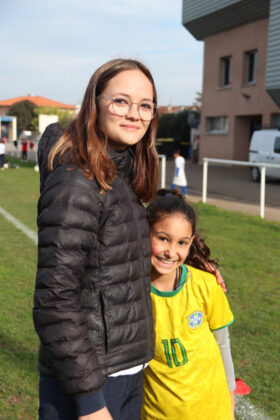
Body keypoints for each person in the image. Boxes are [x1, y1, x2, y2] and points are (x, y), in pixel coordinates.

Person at [33, 58, 159, 420]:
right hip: (90, 383)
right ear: (95, 105)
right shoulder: (76, 182)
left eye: (145, 105)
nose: (135, 114)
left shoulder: (121, 172)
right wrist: (90, 403)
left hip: (126, 370)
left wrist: (197, 262)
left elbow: (121, 261)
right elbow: (55, 301)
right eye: (121, 101)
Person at [142, 189, 236, 420]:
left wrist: (230, 396)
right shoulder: (131, 293)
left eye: (181, 242)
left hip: (213, 411)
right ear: (145, 233)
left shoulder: (205, 284)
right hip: (157, 414)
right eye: (163, 238)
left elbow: (222, 344)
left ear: (191, 242)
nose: (171, 252)